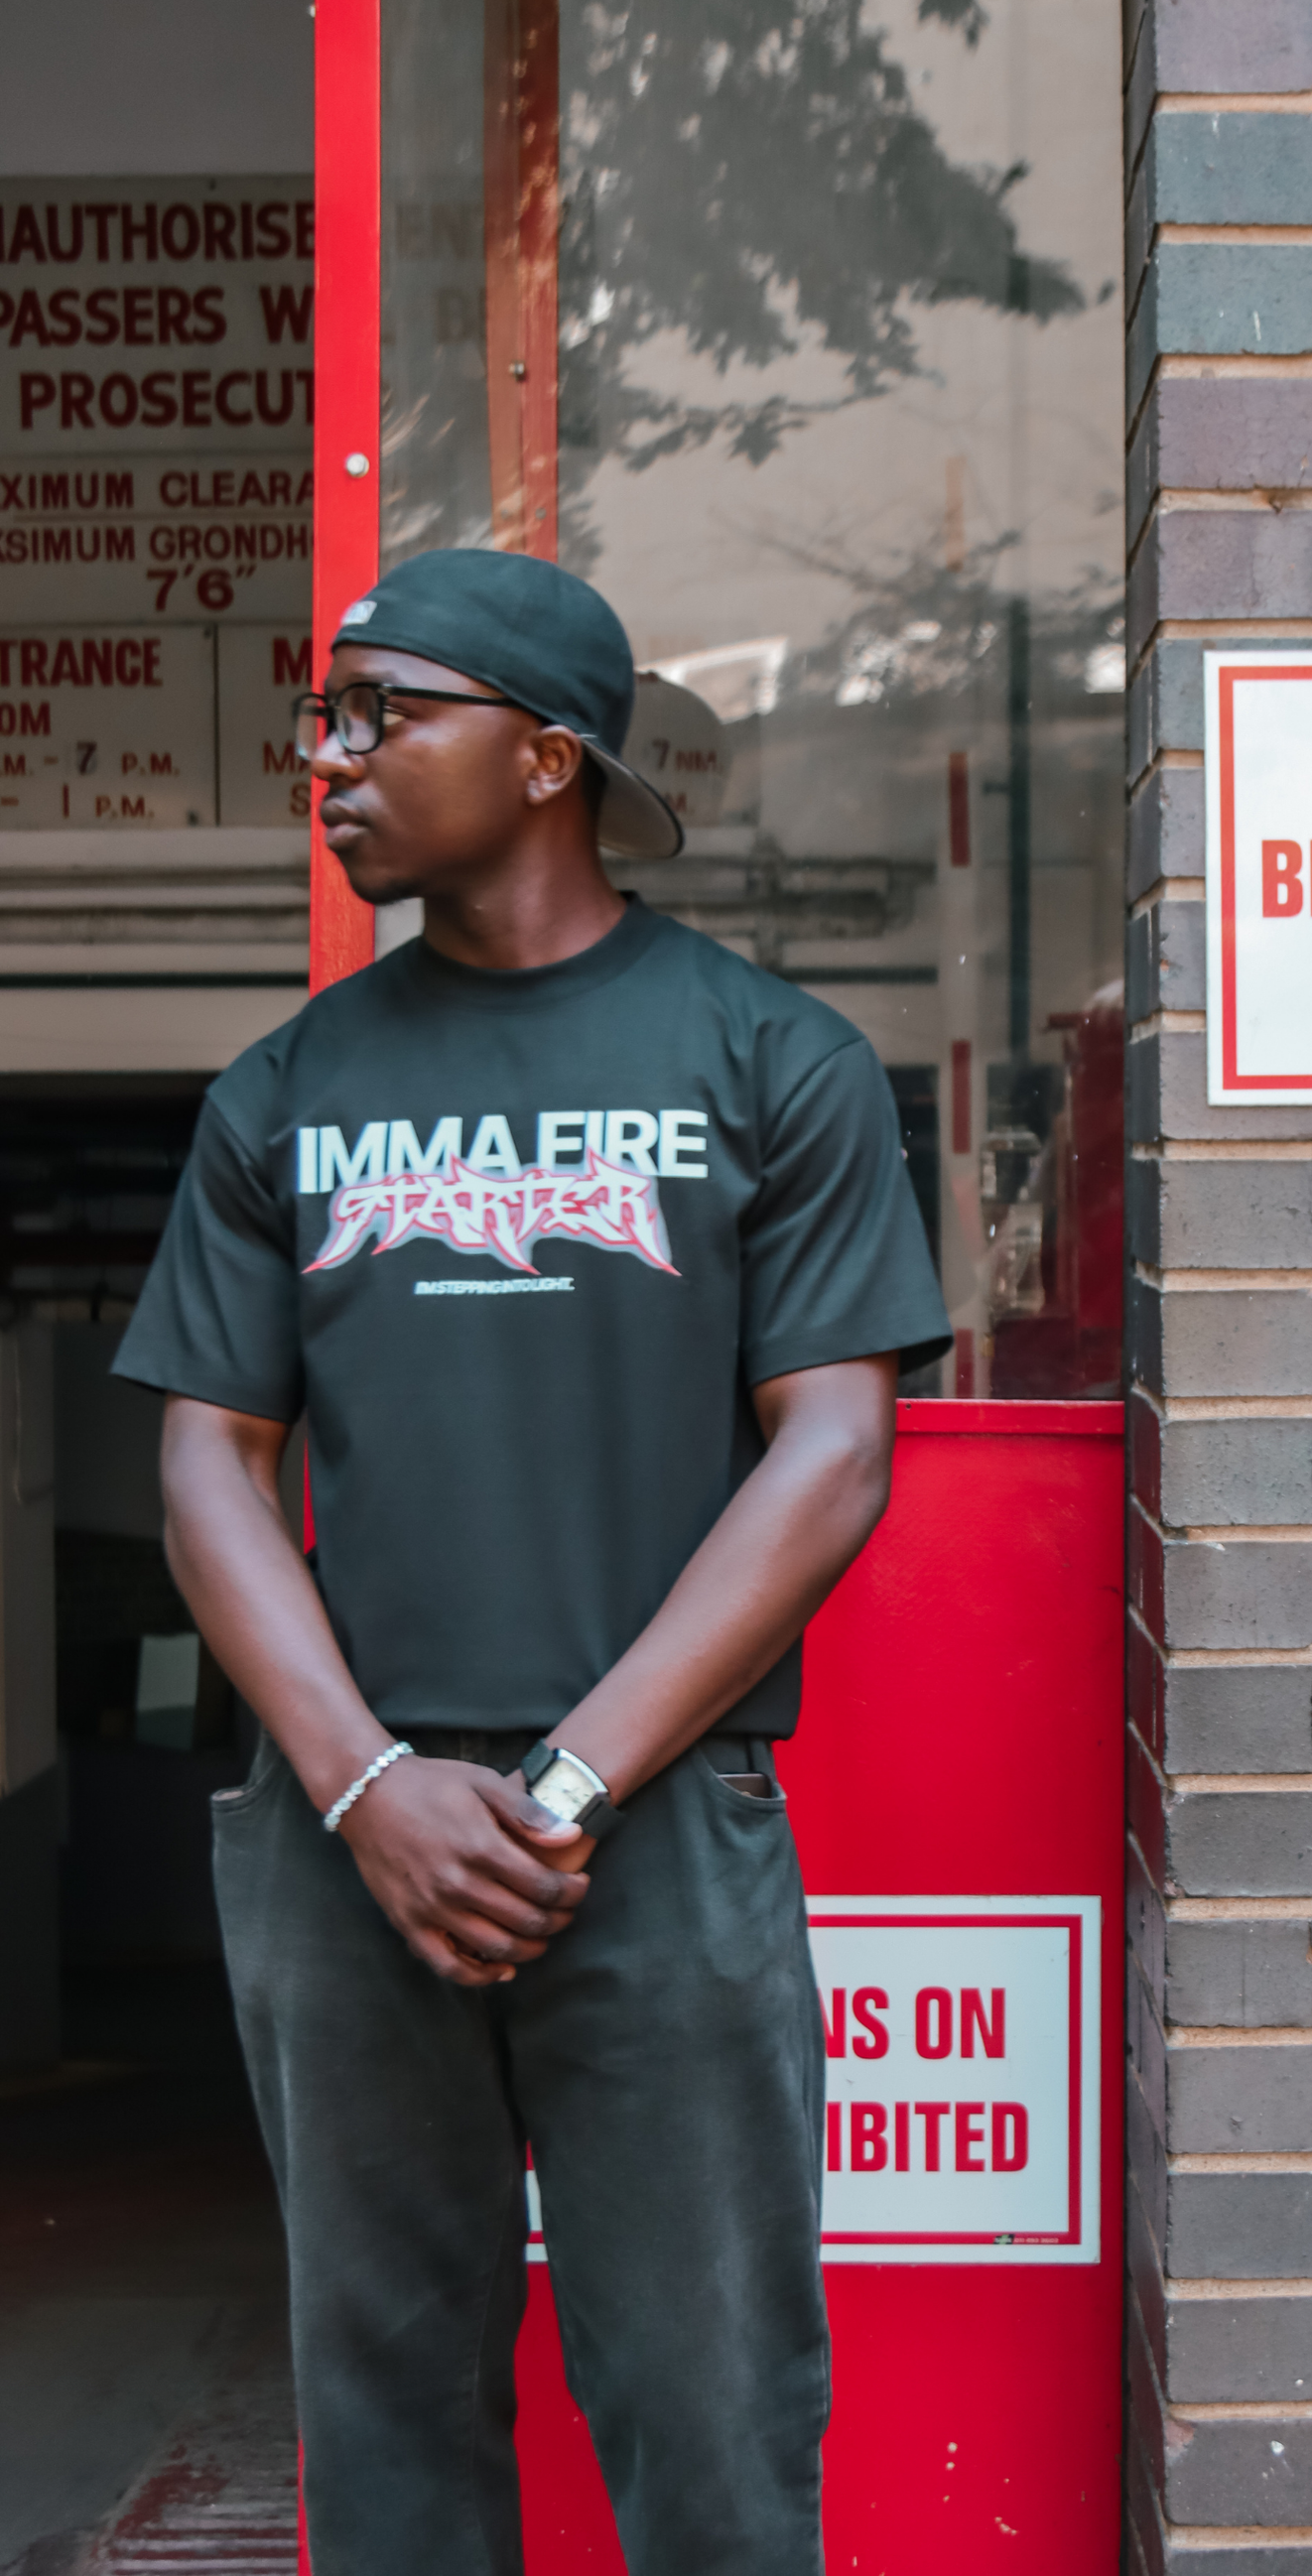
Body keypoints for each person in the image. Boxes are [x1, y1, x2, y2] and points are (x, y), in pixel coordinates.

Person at [112, 547, 952, 2576]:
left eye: (382, 714)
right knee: (384, 2417)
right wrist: (368, 1786)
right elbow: (209, 1460)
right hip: (352, 1840)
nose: (331, 758)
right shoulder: (288, 1091)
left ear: (549, 756)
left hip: (650, 1833)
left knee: (713, 2413)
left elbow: (833, 1450)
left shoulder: (771, 1062)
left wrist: (566, 1782)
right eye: (327, 716)